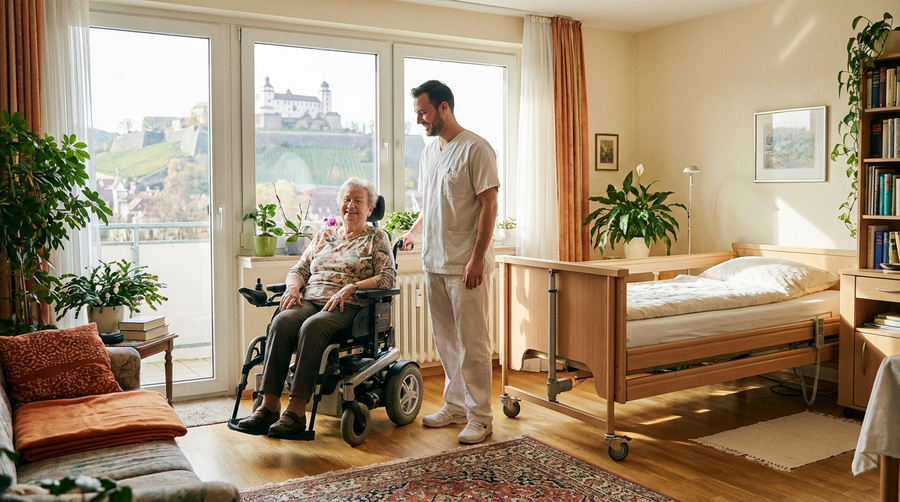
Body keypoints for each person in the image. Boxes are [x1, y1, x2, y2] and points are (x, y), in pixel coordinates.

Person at [235, 177, 395, 438]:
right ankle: (269, 406)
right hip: (310, 299)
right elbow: (300, 269)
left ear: (370, 208)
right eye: (346, 199)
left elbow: (387, 278)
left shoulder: (376, 238)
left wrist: (352, 287)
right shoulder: (324, 235)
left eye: (358, 200)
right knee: (282, 322)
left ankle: (296, 412)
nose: (350, 205)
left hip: (350, 306)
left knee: (312, 327)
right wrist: (293, 287)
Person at [397, 80, 499, 444]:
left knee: (472, 343)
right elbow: (432, 204)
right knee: (445, 341)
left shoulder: (476, 148)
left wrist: (477, 258)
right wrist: (413, 233)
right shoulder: (429, 154)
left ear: (444, 108)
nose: (419, 121)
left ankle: (481, 416)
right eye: (417, 114)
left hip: (465, 265)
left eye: (423, 112)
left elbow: (489, 205)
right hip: (434, 262)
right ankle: (455, 405)